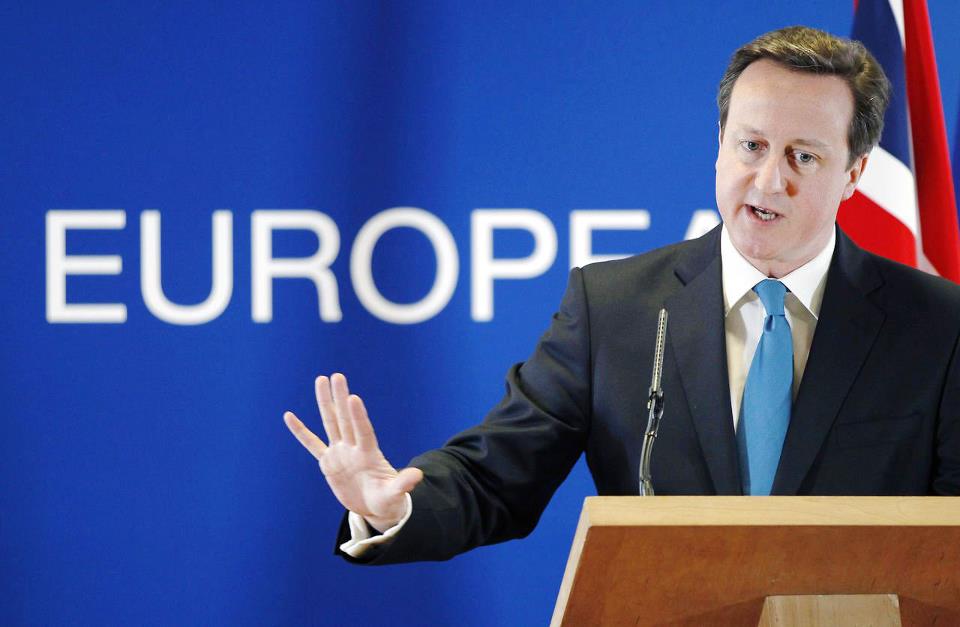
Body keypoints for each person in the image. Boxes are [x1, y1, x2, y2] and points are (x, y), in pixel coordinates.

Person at [283, 26, 960, 564]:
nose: (767, 180)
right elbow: (496, 477)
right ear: (719, 145)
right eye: (751, 145)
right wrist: (393, 505)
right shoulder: (613, 308)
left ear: (854, 174)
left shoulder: (937, 326)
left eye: (802, 156)